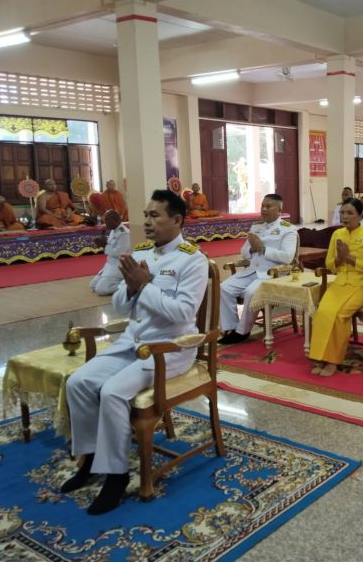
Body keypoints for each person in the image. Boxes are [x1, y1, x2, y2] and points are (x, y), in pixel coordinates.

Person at [63, 189, 208, 515]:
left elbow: (184, 313)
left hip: (169, 347)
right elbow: (118, 305)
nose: (147, 222)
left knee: (112, 392)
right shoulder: (141, 252)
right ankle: (90, 460)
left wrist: (144, 286)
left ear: (177, 220)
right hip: (133, 342)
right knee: (78, 383)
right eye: (145, 215)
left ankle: (116, 475)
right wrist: (131, 287)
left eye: (155, 215)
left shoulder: (192, 259)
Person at [309, 197, 363, 377]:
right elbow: (330, 264)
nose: (344, 216)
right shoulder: (337, 234)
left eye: (350, 213)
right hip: (340, 283)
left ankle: (333, 360)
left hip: (361, 285)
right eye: (342, 213)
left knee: (340, 316)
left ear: (360, 215)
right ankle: (320, 356)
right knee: (323, 312)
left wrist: (349, 258)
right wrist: (340, 259)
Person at [219, 193, 297, 344]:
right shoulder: (256, 227)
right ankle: (230, 327)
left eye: (268, 206)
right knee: (225, 287)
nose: (264, 209)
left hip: (273, 274)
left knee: (251, 292)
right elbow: (243, 251)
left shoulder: (288, 230)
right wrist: (252, 249)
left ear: (279, 210)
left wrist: (262, 248)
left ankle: (242, 332)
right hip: (252, 271)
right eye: (262, 206)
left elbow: (288, 257)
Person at [89, 210, 130, 296]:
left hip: (118, 266)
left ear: (116, 220)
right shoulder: (113, 230)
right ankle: (122, 282)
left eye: (107, 220)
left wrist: (105, 245)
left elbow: (120, 253)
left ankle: (128, 286)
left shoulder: (124, 233)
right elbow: (110, 246)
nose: (105, 223)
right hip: (109, 265)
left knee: (100, 290)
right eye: (105, 220)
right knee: (93, 286)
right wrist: (102, 243)